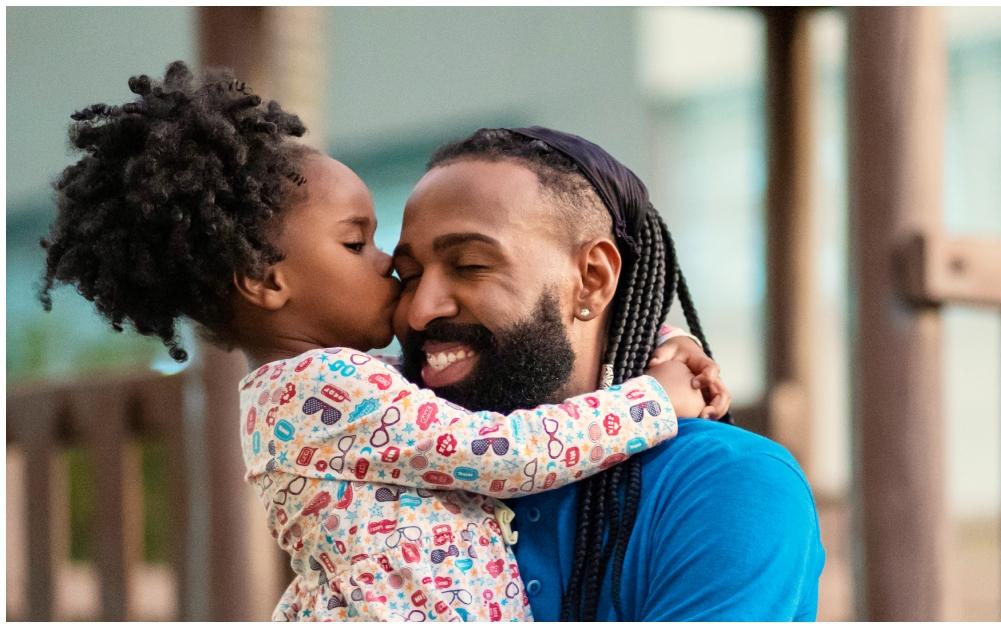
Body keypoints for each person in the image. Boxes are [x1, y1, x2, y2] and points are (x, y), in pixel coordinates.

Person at [37, 62, 730, 621]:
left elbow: (471, 375)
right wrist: (651, 399)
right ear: (264, 279)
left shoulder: (331, 393)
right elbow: (498, 452)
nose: (392, 272)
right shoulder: (322, 392)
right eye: (356, 242)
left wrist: (643, 338)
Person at [392, 127, 826, 621]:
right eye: (407, 277)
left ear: (592, 280)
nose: (421, 310)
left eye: (470, 264)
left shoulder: (721, 481)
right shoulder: (395, 474)